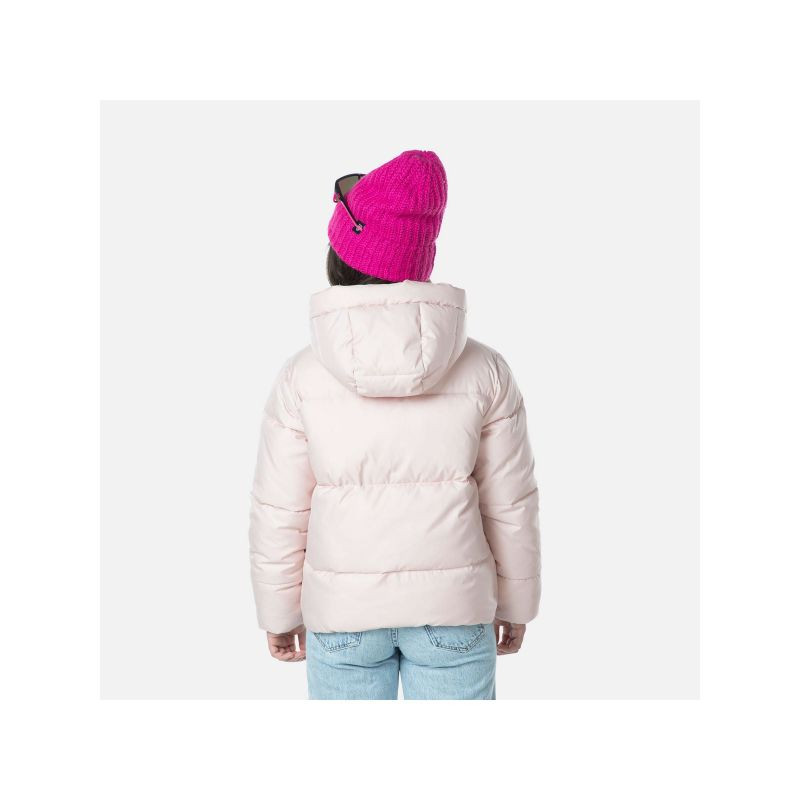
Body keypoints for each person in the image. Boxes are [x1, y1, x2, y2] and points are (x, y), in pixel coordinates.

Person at [248, 149, 541, 700]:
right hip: (454, 611)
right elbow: (511, 503)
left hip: (343, 617)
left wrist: (279, 611)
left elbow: (280, 510)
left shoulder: (301, 377)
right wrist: (517, 602)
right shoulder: (486, 369)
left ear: (341, 254)